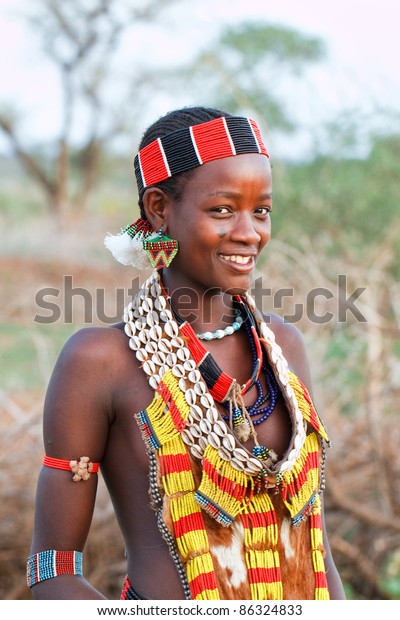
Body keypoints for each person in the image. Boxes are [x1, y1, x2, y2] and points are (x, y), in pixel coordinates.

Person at [27, 106, 345, 600]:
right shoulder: (101, 361)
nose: (249, 233)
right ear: (158, 208)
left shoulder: (282, 348)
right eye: (222, 210)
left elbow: (314, 545)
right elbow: (53, 568)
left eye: (260, 210)